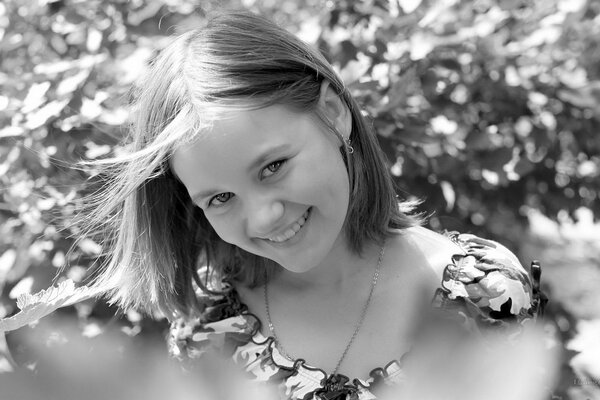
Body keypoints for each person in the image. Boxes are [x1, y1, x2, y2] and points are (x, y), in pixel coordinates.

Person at [82, 10, 547, 400]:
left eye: (273, 167)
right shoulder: (208, 332)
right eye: (221, 198)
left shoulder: (486, 296)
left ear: (333, 113)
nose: (264, 215)